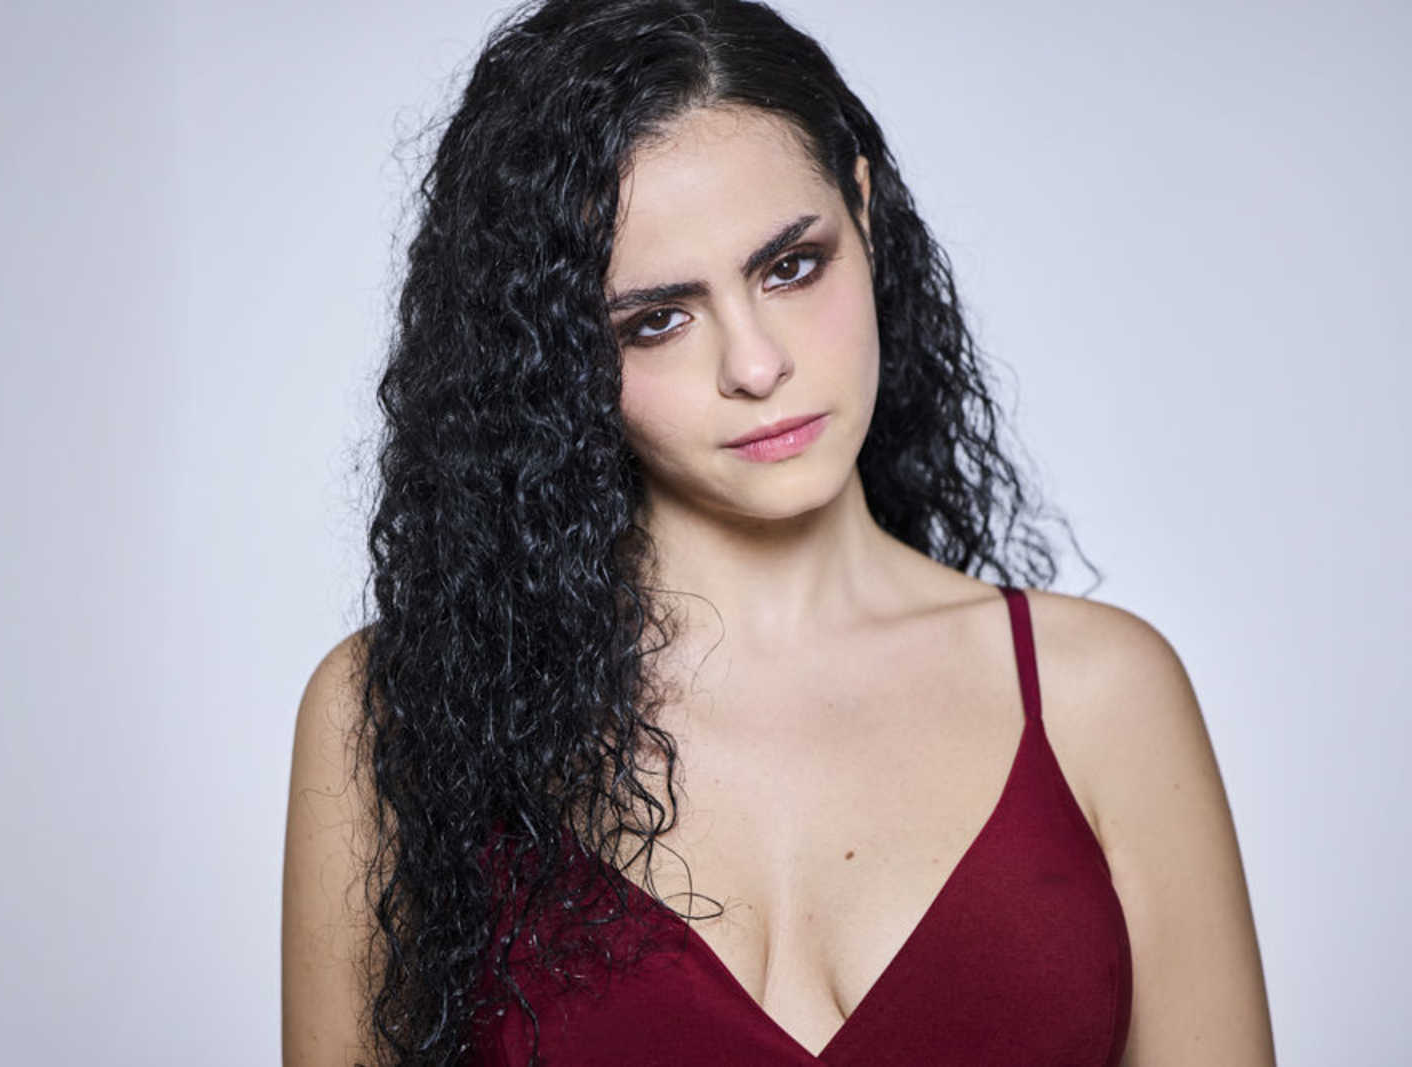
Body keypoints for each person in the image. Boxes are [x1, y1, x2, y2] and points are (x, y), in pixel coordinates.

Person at [282, 1, 1275, 1063]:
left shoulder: (1101, 698)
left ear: (863, 211)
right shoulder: (401, 713)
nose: (756, 365)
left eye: (790, 266)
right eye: (657, 320)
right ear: (555, 355)